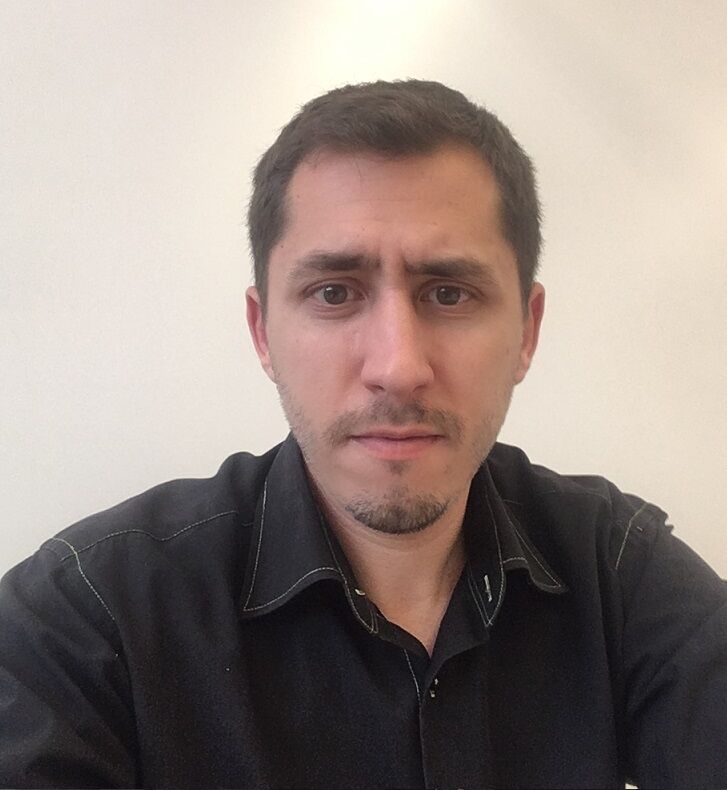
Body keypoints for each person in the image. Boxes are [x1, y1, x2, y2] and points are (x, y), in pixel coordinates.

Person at [0, 79, 725, 789]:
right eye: (334, 293)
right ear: (263, 331)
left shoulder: (617, 570)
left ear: (527, 331)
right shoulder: (88, 617)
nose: (398, 367)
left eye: (449, 293)